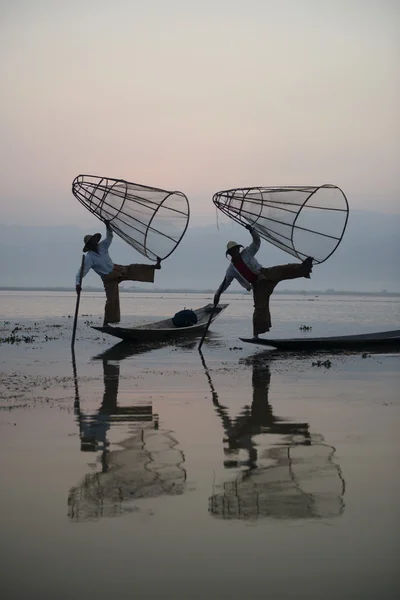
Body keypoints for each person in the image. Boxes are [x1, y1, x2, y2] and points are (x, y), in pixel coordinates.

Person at [213, 225, 313, 338]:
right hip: (257, 285)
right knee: (260, 308)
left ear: (238, 249)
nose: (235, 252)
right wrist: (218, 294)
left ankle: (305, 268)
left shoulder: (247, 252)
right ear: (230, 254)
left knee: (283, 270)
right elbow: (225, 283)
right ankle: (256, 334)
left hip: (264, 273)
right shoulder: (231, 269)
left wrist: (252, 231)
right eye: (232, 251)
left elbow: (257, 242)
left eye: (236, 249)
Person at [75, 221, 161, 326]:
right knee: (111, 300)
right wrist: (78, 284)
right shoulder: (89, 258)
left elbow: (109, 237)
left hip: (116, 269)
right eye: (92, 242)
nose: (94, 243)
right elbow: (81, 272)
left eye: (94, 241)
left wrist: (108, 227)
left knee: (133, 268)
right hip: (108, 278)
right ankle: (107, 322)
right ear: (89, 245)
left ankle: (154, 266)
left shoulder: (102, 246)